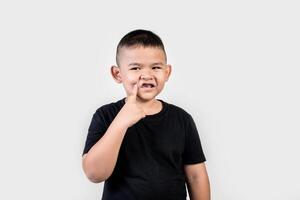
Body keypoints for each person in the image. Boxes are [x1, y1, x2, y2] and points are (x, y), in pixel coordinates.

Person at [82, 29, 210, 200]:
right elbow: (94, 174)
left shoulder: (182, 119)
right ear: (117, 74)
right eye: (135, 68)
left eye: (156, 67)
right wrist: (121, 122)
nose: (147, 75)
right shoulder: (105, 115)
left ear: (167, 72)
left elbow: (196, 176)